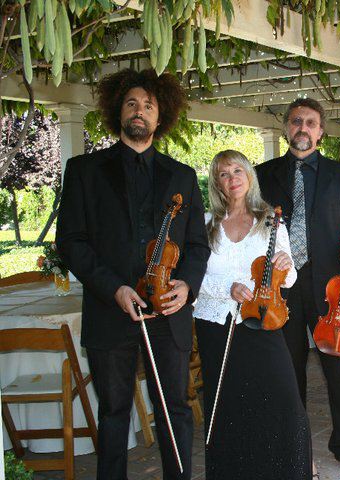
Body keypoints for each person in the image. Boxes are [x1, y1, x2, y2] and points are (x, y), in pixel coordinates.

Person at [56, 69, 210, 480]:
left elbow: (198, 245)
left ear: (161, 118)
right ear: (116, 111)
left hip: (168, 312)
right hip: (112, 310)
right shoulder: (84, 170)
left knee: (174, 407)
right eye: (131, 103)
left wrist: (187, 285)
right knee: (114, 413)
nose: (139, 111)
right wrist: (114, 289)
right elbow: (70, 241)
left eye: (148, 105)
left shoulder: (183, 176)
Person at [255, 98, 340, 475]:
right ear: (287, 127)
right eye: (297, 121)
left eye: (311, 123)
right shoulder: (261, 174)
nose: (303, 128)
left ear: (321, 131)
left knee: (339, 363)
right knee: (287, 367)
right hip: (281, 286)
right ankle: (292, 442)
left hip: (329, 286)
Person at [193, 150, 312, 479]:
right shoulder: (205, 223)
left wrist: (287, 267)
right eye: (223, 174)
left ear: (249, 175)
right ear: (217, 183)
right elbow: (193, 277)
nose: (232, 179)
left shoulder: (270, 220)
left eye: (237, 170)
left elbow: (288, 278)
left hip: (261, 319)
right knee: (230, 407)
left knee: (283, 400)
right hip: (216, 325)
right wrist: (227, 289)